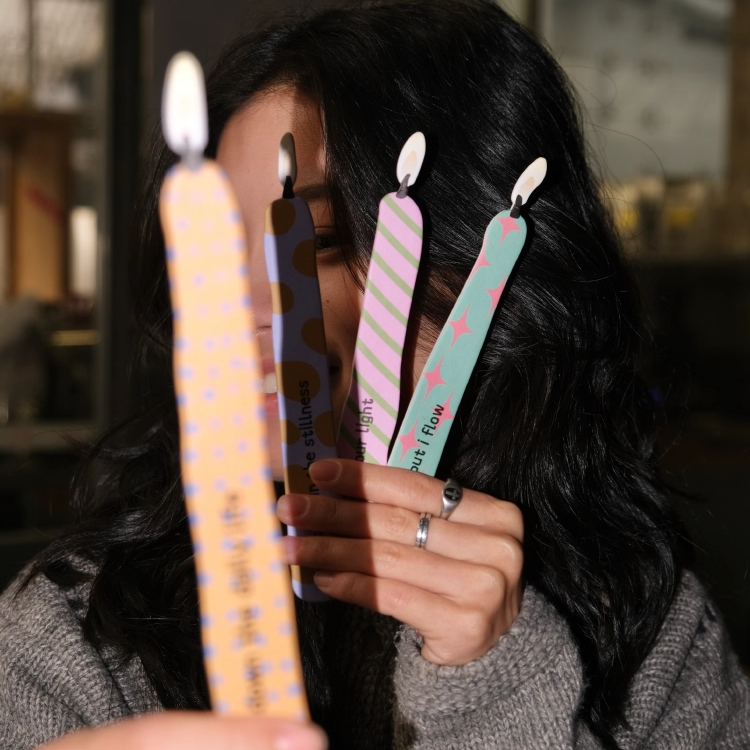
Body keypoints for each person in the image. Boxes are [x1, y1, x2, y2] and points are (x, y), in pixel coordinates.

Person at [1, 1, 748, 748]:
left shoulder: (648, 635)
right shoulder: (71, 643)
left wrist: (498, 691)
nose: (246, 306)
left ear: (489, 268)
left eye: (317, 240)